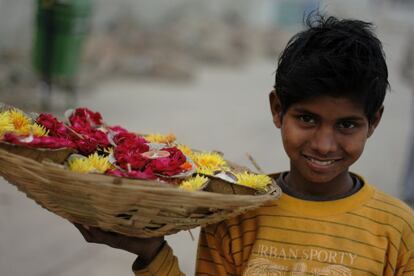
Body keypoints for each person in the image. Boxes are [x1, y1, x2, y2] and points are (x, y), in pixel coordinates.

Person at [74, 14, 414, 275]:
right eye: (307, 119)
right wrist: (151, 253)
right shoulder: (236, 213)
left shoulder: (399, 230)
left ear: (374, 122)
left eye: (347, 125)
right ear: (277, 109)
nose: (325, 145)